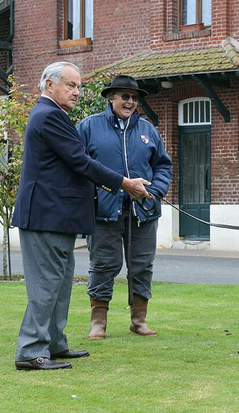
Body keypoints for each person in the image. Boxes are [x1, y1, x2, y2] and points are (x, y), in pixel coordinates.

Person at [12, 62, 152, 371]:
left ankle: (54, 344)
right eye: (71, 85)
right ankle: (30, 351)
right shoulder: (49, 115)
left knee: (59, 285)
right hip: (45, 216)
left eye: (78, 86)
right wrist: (124, 183)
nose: (77, 91)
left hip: (58, 217)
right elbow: (81, 161)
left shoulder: (54, 116)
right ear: (50, 85)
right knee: (46, 286)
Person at [77, 75, 172, 340]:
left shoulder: (148, 130)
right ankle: (98, 323)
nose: (130, 102)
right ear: (111, 98)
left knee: (142, 266)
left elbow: (163, 165)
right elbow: (77, 165)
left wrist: (155, 191)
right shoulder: (88, 127)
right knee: (103, 265)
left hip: (143, 211)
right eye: (124, 96)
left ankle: (138, 320)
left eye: (134, 97)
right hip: (103, 212)